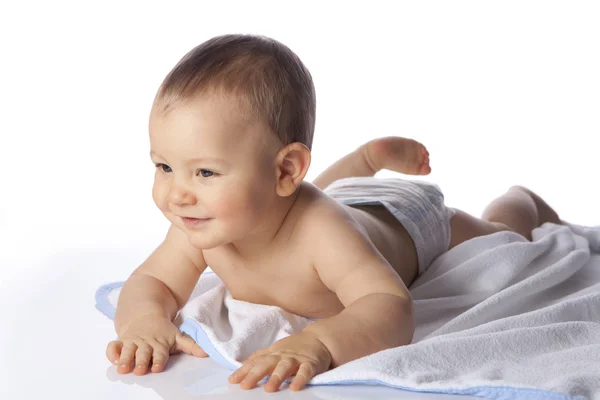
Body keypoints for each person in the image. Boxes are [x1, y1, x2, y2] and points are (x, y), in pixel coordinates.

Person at [105, 34, 561, 392]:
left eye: (204, 172)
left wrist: (320, 342)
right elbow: (153, 282)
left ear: (287, 168)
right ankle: (364, 160)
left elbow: (389, 304)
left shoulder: (323, 233)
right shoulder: (201, 222)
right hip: (325, 198)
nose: (176, 194)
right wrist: (145, 320)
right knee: (318, 196)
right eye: (164, 166)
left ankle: (522, 198)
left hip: (404, 219)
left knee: (503, 235)